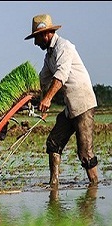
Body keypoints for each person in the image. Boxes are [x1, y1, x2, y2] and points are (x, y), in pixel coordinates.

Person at [25, 13, 99, 187]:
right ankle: (54, 184)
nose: (36, 43)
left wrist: (48, 98)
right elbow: (43, 79)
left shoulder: (64, 47)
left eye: (36, 38)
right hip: (70, 107)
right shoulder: (49, 55)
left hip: (83, 104)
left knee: (85, 154)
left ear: (46, 34)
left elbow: (61, 76)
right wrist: (28, 97)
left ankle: (94, 188)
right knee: (53, 142)